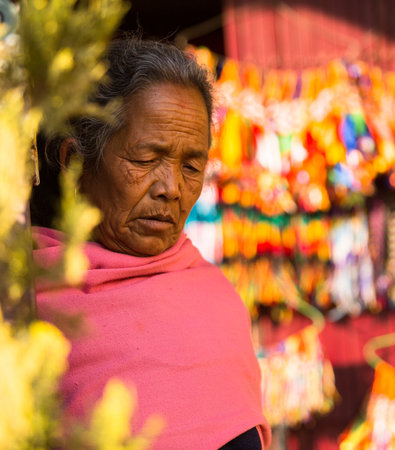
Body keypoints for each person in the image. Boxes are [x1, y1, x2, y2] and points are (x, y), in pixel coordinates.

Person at [32, 38, 271, 449]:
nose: (171, 189)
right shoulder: (25, 302)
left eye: (192, 166)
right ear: (76, 165)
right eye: (145, 160)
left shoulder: (217, 299)